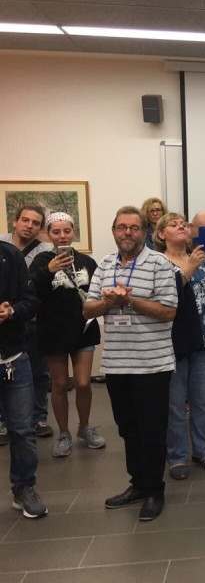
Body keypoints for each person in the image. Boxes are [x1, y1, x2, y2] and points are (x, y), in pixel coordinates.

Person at [83, 206, 178, 521]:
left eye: (134, 228)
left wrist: (131, 301)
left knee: (152, 431)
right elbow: (88, 310)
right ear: (114, 230)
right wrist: (108, 301)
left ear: (143, 232)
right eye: (122, 227)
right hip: (116, 365)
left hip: (151, 365)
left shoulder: (160, 264)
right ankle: (137, 484)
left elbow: (168, 311)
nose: (127, 233)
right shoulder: (105, 265)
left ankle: (154, 491)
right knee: (128, 430)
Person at [153, 212, 205, 480]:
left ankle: (202, 450)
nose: (181, 226)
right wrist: (189, 268)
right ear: (161, 234)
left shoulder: (204, 260)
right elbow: (164, 295)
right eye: (173, 224)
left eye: (184, 224)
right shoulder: (157, 262)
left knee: (202, 400)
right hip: (172, 343)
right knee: (175, 404)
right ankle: (176, 456)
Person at [29, 213, 104, 457]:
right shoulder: (41, 260)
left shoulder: (86, 261)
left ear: (74, 232)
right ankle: (64, 433)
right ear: (49, 235)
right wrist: (48, 271)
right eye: (56, 232)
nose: (62, 236)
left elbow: (97, 291)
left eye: (66, 231)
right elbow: (30, 292)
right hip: (53, 331)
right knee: (60, 384)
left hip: (83, 329)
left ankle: (84, 427)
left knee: (83, 383)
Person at [0, 239, 47, 518]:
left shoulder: (9, 255)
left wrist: (12, 312)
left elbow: (30, 302)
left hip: (13, 357)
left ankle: (24, 488)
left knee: (22, 430)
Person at [0, 205, 53, 440]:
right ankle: (3, 420)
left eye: (35, 223)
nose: (29, 225)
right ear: (15, 222)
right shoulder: (1, 245)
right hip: (5, 325)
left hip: (33, 318)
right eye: (25, 220)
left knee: (38, 371)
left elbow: (38, 289)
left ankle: (38, 417)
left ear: (40, 228)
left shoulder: (45, 251)